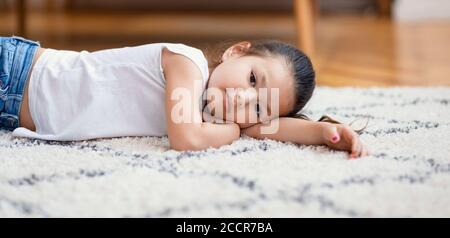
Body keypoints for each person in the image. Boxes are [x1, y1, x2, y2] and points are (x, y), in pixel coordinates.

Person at [0, 36, 369, 158]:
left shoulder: (211, 111)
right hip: (15, 70)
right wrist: (233, 131)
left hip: (12, 112)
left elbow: (268, 128)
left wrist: (327, 134)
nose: (243, 99)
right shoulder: (186, 62)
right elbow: (186, 139)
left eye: (259, 105)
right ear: (236, 51)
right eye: (253, 78)